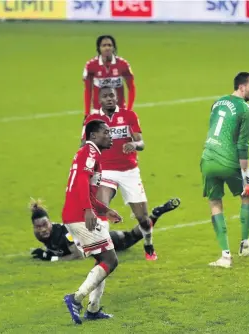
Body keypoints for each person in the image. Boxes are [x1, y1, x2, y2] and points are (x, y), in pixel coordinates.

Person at [85, 87, 179, 261]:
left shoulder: (129, 116)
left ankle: (148, 243)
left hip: (129, 172)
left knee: (143, 218)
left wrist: (134, 145)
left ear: (117, 97)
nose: (110, 99)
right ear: (100, 100)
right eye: (105, 96)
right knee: (100, 207)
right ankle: (104, 251)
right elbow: (84, 144)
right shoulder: (93, 119)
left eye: (112, 95)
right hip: (106, 171)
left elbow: (141, 142)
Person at [62, 120, 121, 324]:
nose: (110, 136)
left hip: (78, 212)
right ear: (93, 136)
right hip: (79, 215)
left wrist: (106, 210)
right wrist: (88, 210)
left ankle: (93, 309)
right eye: (106, 132)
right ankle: (75, 299)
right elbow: (79, 182)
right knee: (110, 260)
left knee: (103, 260)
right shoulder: (90, 152)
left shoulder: (91, 154)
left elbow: (87, 191)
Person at [200, 72, 249, 269]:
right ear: (242, 87)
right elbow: (243, 145)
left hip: (208, 159)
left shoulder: (218, 102)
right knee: (247, 196)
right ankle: (245, 244)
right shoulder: (247, 110)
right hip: (228, 161)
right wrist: (246, 176)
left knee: (215, 202)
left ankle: (225, 256)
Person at [28, 197, 181, 261]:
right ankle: (155, 214)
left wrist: (52, 258)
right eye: (38, 226)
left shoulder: (63, 233)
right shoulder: (44, 236)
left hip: (100, 239)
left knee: (130, 238)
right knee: (131, 236)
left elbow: (77, 255)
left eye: (44, 225)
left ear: (50, 222)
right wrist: (46, 252)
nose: (42, 230)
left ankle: (155, 214)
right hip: (94, 236)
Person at [83, 35, 135, 116]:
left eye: (110, 45)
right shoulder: (91, 65)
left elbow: (131, 88)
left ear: (114, 48)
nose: (107, 48)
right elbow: (88, 91)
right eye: (104, 45)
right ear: (99, 48)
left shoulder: (123, 64)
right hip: (98, 112)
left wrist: (129, 110)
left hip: (119, 111)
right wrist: (87, 113)